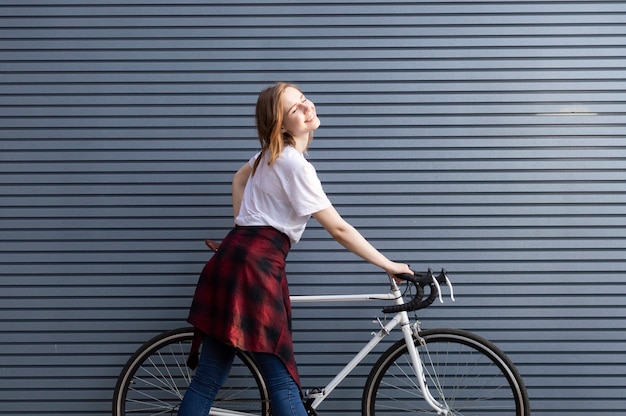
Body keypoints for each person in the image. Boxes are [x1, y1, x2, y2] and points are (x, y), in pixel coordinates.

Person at [178, 82, 413, 416]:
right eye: (294, 109)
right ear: (280, 125)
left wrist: (242, 229)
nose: (306, 108)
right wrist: (388, 264)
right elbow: (338, 228)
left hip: (237, 260)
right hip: (254, 269)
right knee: (282, 381)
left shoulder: (266, 157)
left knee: (209, 377)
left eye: (304, 100)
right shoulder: (295, 165)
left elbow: (237, 180)